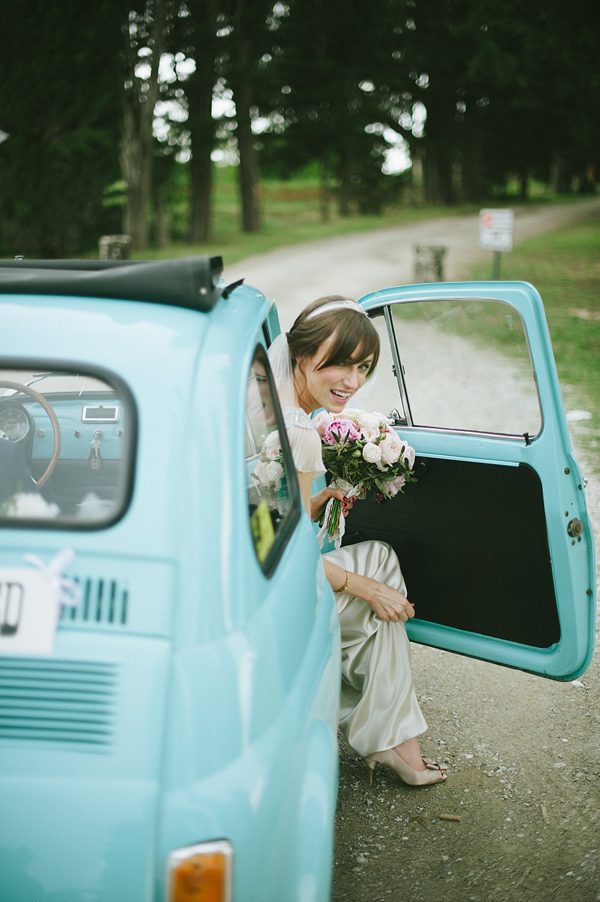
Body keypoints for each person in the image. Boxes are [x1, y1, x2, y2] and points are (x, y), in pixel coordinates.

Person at [268, 295, 446, 787]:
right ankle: (391, 739)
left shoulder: (284, 410)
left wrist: (318, 497)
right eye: (340, 362)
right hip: (263, 595)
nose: (352, 380)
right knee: (377, 584)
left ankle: (388, 734)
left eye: (363, 366)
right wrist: (361, 587)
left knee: (381, 562)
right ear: (300, 355)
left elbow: (267, 521)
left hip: (261, 570)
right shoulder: (298, 430)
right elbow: (278, 550)